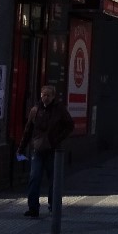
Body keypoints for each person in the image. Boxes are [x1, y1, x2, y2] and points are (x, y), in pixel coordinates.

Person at [18, 85, 74, 218]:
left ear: (53, 96)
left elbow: (70, 125)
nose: (46, 97)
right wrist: (21, 148)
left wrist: (57, 139)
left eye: (49, 95)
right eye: (44, 95)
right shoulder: (35, 110)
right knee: (34, 178)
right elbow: (28, 130)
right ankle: (33, 208)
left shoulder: (59, 110)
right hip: (37, 149)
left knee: (54, 180)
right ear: (41, 95)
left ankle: (54, 206)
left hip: (53, 150)